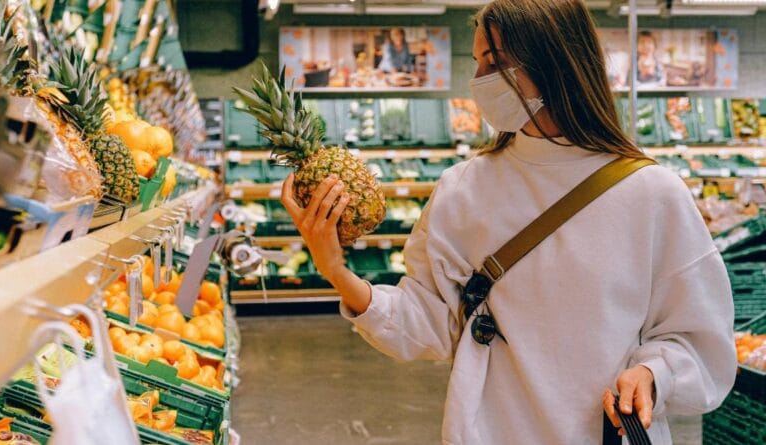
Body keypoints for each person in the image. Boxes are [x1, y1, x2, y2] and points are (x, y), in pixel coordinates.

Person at [280, 0, 736, 443]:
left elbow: (701, 340)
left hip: (605, 434)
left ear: (554, 63)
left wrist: (653, 374)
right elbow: (427, 324)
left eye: (495, 63)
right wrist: (336, 271)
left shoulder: (651, 194)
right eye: (478, 62)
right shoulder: (464, 189)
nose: (479, 80)